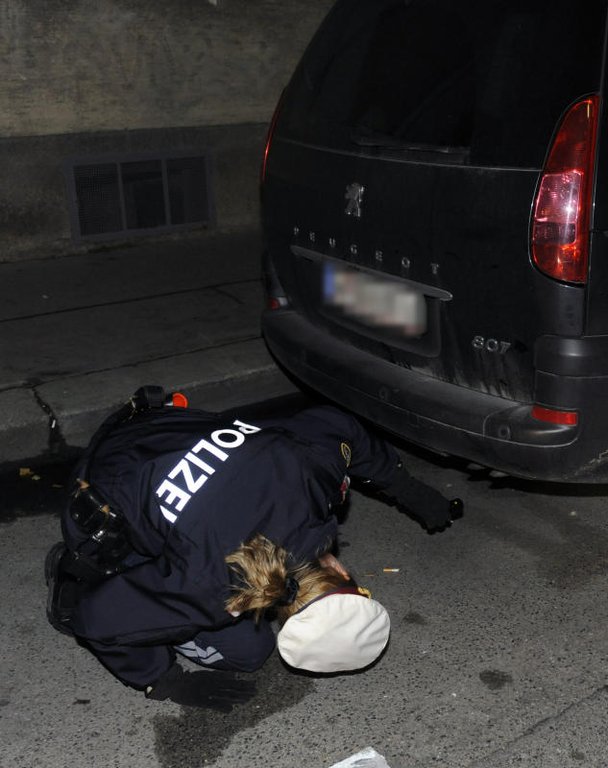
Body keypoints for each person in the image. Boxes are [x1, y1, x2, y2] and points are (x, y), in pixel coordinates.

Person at [46, 393, 462, 709]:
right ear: (285, 617)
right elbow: (95, 619)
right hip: (99, 490)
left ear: (340, 571)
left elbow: (340, 425)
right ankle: (77, 575)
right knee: (245, 652)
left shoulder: (313, 472)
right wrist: (162, 679)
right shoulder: (212, 588)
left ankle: (155, 557)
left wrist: (407, 487)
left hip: (155, 425)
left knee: (233, 625)